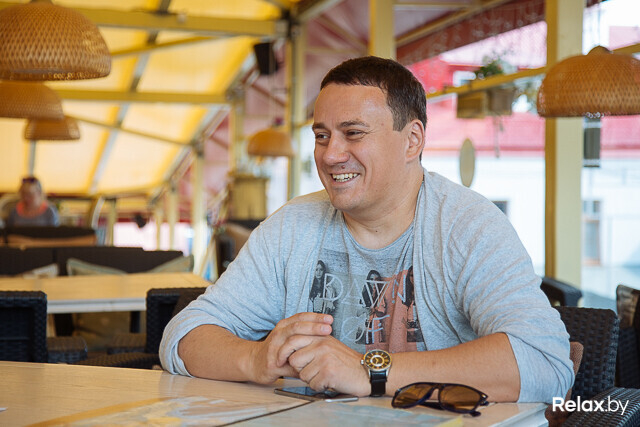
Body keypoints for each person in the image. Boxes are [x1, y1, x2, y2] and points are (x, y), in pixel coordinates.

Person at [160, 56, 573, 403]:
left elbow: (545, 362)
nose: (331, 155)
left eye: (353, 133)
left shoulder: (467, 226)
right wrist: (255, 359)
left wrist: (372, 371)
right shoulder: (293, 226)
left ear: (412, 141)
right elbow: (183, 336)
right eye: (322, 136)